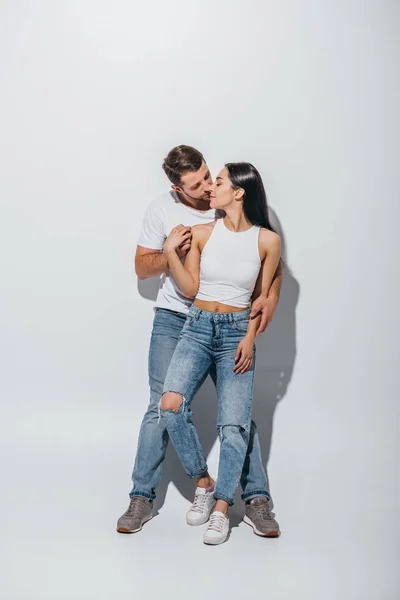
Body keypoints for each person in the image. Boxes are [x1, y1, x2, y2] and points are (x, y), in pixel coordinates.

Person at [117, 146, 282, 538]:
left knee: (236, 418)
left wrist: (268, 301)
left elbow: (266, 265)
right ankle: (143, 496)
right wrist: (173, 251)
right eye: (197, 184)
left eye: (211, 177)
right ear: (178, 187)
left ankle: (255, 498)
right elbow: (143, 266)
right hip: (180, 321)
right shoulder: (163, 210)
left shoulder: (228, 199)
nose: (208, 188)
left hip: (234, 324)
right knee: (162, 407)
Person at [159, 161, 281, 545]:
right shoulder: (201, 233)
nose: (212, 187)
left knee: (233, 427)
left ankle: (222, 509)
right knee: (170, 405)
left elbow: (261, 298)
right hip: (197, 327)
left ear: (240, 193)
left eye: (221, 182)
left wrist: (249, 338)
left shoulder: (267, 241)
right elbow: (191, 287)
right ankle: (204, 482)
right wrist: (169, 253)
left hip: (235, 335)